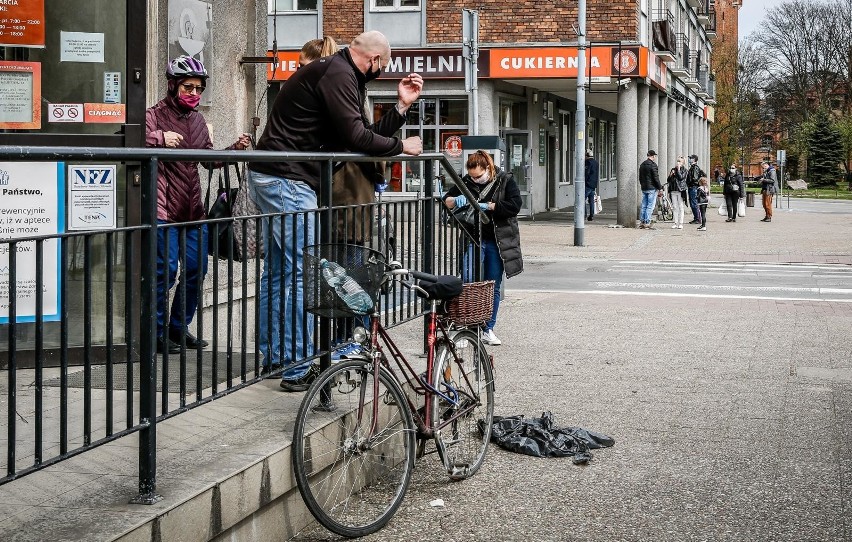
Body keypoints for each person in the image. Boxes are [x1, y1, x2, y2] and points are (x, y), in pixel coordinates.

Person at [249, 31, 423, 391]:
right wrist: (401, 147)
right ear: (373, 60)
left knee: (280, 272)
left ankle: (277, 357)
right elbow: (358, 139)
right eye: (382, 67)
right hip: (288, 179)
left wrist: (401, 108)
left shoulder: (338, 72)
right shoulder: (340, 74)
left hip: (276, 175)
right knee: (297, 274)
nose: (380, 72)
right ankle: (297, 368)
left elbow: (357, 137)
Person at [145, 55, 250, 354]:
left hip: (192, 211)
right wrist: (159, 138)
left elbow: (208, 159)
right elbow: (131, 136)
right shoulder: (153, 115)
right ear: (173, 85)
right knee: (164, 273)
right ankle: (155, 331)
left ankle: (179, 328)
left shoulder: (198, 120)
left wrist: (233, 150)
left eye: (198, 89)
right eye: (187, 87)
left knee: (196, 269)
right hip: (163, 209)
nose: (193, 94)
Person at [443, 150, 523, 346]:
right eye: (472, 176)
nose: (475, 180)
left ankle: (488, 328)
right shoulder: (467, 181)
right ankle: (466, 328)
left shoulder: (505, 180)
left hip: (498, 241)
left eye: (478, 176)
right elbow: (447, 200)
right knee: (468, 282)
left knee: (492, 285)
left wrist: (491, 206)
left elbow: (515, 206)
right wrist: (455, 201)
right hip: (473, 238)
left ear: (488, 168)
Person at [638, 150, 662, 229]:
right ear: (653, 156)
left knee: (644, 205)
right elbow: (656, 178)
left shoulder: (642, 165)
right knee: (650, 206)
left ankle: (642, 221)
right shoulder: (653, 165)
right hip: (652, 188)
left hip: (644, 187)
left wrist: (642, 185)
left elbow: (640, 177)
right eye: (655, 156)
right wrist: (660, 187)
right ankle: (647, 222)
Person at [667, 156, 688, 229]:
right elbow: (668, 180)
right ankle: (675, 222)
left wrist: (678, 170)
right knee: (675, 207)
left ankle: (681, 223)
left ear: (683, 163)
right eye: (678, 161)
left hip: (680, 190)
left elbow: (681, 178)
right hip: (673, 190)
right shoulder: (673, 169)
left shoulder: (685, 170)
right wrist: (671, 175)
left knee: (681, 206)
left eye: (680, 161)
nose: (678, 163)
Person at [686, 154, 706, 224]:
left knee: (694, 203)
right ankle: (696, 218)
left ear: (694, 160)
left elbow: (694, 178)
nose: (689, 160)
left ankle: (697, 218)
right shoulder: (692, 167)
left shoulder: (695, 168)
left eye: (690, 158)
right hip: (692, 187)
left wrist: (689, 182)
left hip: (693, 187)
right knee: (693, 203)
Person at [584, 149, 599, 221]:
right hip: (593, 184)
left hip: (587, 184)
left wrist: (584, 181)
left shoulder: (587, 162)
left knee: (582, 200)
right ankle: (591, 215)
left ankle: (584, 215)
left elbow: (587, 173)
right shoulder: (596, 162)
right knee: (591, 201)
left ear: (587, 155)